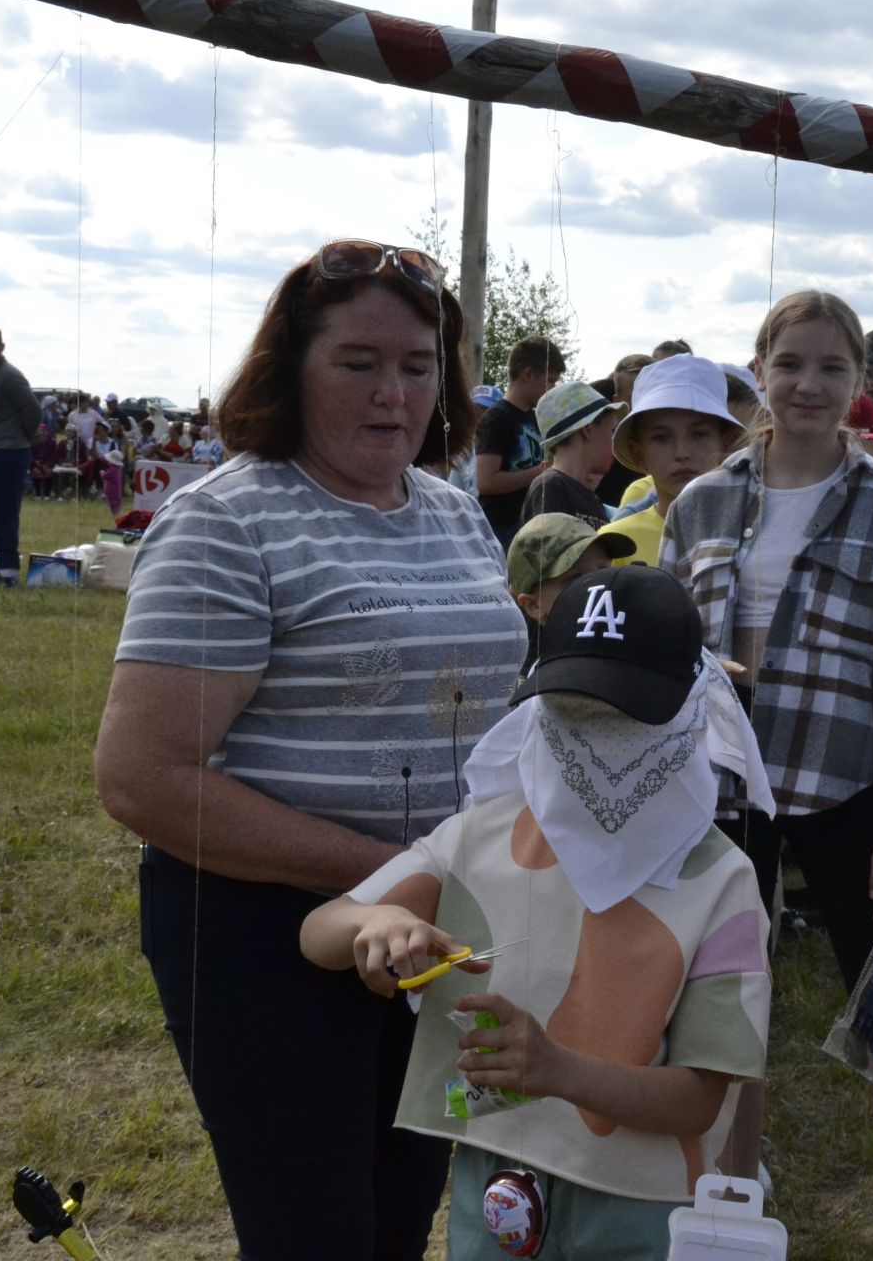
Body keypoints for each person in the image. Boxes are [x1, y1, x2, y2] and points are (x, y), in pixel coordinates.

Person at [94, 238, 529, 1260]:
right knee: (313, 1234)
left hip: (434, 928)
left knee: (396, 1215)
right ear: (291, 367)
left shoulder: (456, 514)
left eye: (419, 366)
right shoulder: (227, 524)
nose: (394, 394)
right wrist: (387, 874)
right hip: (261, 930)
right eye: (359, 363)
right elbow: (142, 777)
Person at [299, 566, 772, 1261]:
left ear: (688, 718)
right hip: (496, 1185)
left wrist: (560, 1072)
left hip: (644, 1209)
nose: (596, 746)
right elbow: (322, 930)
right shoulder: (482, 836)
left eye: (624, 719)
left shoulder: (720, 881)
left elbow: (702, 1098)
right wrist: (373, 926)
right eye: (574, 713)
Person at [660, 289, 873, 1212]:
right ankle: (734, 1183)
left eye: (830, 367)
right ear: (760, 371)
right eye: (790, 365)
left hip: (841, 784)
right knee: (730, 992)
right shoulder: (703, 501)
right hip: (722, 785)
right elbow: (666, 649)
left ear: (859, 381)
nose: (808, 385)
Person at [599, 356, 744, 567]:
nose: (681, 452)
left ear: (726, 444)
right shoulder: (614, 543)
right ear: (638, 453)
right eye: (661, 438)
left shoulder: (751, 536)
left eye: (699, 435)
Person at [505, 513, 636, 670]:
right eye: (576, 579)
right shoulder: (541, 684)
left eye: (604, 572)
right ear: (533, 605)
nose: (599, 586)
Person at [475, 336, 565, 545]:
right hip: (500, 530)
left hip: (527, 526)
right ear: (528, 375)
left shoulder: (535, 417)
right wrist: (540, 472)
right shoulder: (497, 417)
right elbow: (486, 481)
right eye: (550, 380)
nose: (552, 388)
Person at [0, 324, 42, 588]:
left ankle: (8, 573)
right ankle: (3, 567)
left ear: (2, 347)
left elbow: (34, 410)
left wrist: (24, 437)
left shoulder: (10, 375)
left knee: (4, 513)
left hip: (10, 452)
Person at [519, 382, 624, 529]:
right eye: (612, 431)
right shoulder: (550, 487)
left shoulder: (591, 498)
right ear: (587, 430)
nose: (615, 441)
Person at [29, 423, 61, 499]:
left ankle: (47, 494)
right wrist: (35, 462)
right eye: (40, 431)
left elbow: (54, 456)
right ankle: (38, 494)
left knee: (48, 472)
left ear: (48, 432)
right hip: (36, 464)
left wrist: (48, 464)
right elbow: (30, 455)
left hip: (48, 464)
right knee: (36, 471)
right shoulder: (33, 442)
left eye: (44, 431)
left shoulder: (52, 442)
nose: (42, 433)